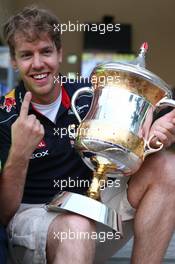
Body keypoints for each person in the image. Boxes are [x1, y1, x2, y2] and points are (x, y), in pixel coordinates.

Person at [0, 6, 175, 264]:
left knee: (168, 167)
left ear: (60, 54)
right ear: (14, 61)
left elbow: (128, 145)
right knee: (76, 226)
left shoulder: (91, 93)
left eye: (46, 51)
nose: (38, 63)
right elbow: (4, 214)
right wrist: (19, 153)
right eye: (26, 55)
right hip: (34, 220)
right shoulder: (5, 114)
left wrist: (155, 135)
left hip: (92, 207)